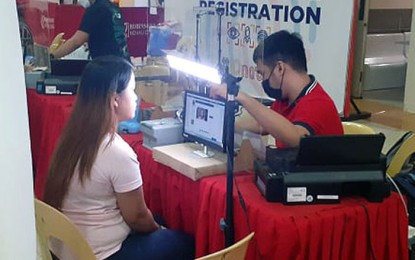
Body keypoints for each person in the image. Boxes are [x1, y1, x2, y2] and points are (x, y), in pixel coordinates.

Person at [44, 56, 194, 260]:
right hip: (100, 254)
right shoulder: (116, 152)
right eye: (132, 90)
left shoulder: (72, 138)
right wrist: (160, 230)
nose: (135, 96)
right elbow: (138, 217)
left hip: (67, 249)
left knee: (157, 219)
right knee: (184, 243)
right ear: (114, 99)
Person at [210, 30, 343, 148]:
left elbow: (296, 138)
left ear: (280, 68)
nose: (263, 80)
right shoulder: (286, 99)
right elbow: (261, 125)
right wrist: (226, 126)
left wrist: (239, 95)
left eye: (262, 73)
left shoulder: (317, 103)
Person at [49, 0, 130, 61]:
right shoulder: (114, 8)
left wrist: (53, 56)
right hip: (124, 65)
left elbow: (76, 41)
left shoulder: (95, 10)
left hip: (107, 67)